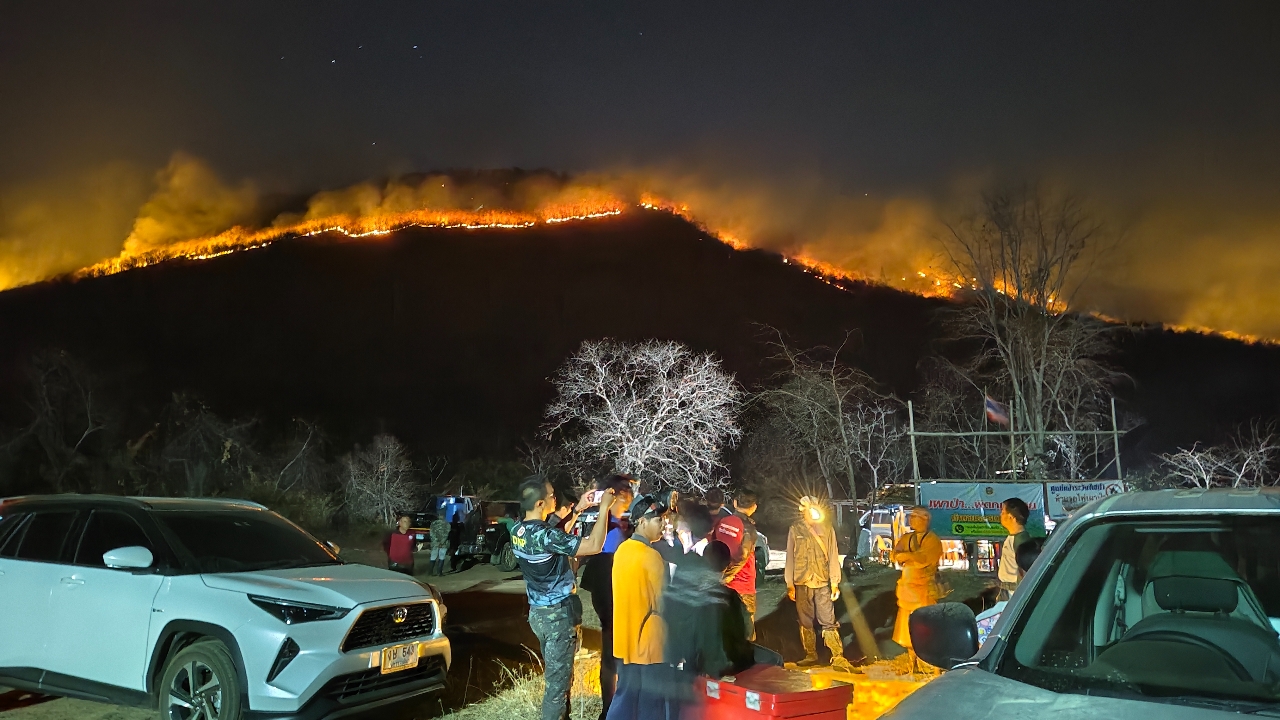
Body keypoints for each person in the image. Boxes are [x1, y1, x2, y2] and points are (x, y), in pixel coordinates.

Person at [511, 477, 617, 720]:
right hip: (558, 617)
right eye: (551, 496)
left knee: (558, 677)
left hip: (539, 613)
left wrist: (578, 510)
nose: (555, 498)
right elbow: (593, 545)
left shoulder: (518, 530)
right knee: (556, 690)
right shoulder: (546, 535)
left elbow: (552, 536)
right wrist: (603, 509)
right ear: (540, 503)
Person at [607, 492, 678, 720]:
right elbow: (663, 602)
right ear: (642, 521)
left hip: (626, 642)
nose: (663, 525)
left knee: (625, 698)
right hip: (650, 646)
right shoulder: (651, 556)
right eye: (658, 520)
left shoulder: (622, 551)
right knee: (651, 705)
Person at [578, 474, 636, 720]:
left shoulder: (617, 523)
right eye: (626, 499)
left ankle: (612, 706)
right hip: (609, 587)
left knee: (613, 650)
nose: (628, 505)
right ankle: (611, 708)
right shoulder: (608, 526)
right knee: (613, 650)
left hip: (609, 585)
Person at [664, 539, 755, 681]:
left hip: (674, 653)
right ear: (726, 567)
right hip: (712, 663)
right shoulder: (724, 597)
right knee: (772, 659)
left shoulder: (679, 583)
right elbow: (743, 632)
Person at [785, 496, 852, 672]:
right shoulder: (795, 529)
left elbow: (832, 556)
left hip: (822, 581)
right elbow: (790, 558)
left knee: (828, 620)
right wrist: (790, 583)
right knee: (805, 620)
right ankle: (811, 655)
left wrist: (835, 582)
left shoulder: (827, 529)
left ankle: (837, 656)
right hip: (802, 581)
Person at [891, 506, 943, 654]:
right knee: (906, 628)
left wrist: (906, 556)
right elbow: (895, 554)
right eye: (911, 516)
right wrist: (905, 556)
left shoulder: (933, 540)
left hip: (924, 590)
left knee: (924, 625)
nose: (910, 519)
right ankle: (911, 660)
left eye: (915, 516)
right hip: (907, 590)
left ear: (925, 519)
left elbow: (923, 559)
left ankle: (928, 661)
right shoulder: (906, 538)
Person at [713, 487, 759, 639]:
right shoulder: (749, 528)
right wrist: (728, 576)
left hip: (721, 582)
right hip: (742, 583)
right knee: (746, 626)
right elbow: (742, 556)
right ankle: (746, 658)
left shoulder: (723, 522)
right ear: (754, 507)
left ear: (734, 502)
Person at [998, 497, 1031, 599]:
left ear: (1011, 517)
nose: (1000, 515)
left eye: (1003, 512)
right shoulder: (1013, 538)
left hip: (1013, 594)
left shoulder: (1020, 541)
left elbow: (1024, 573)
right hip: (1008, 591)